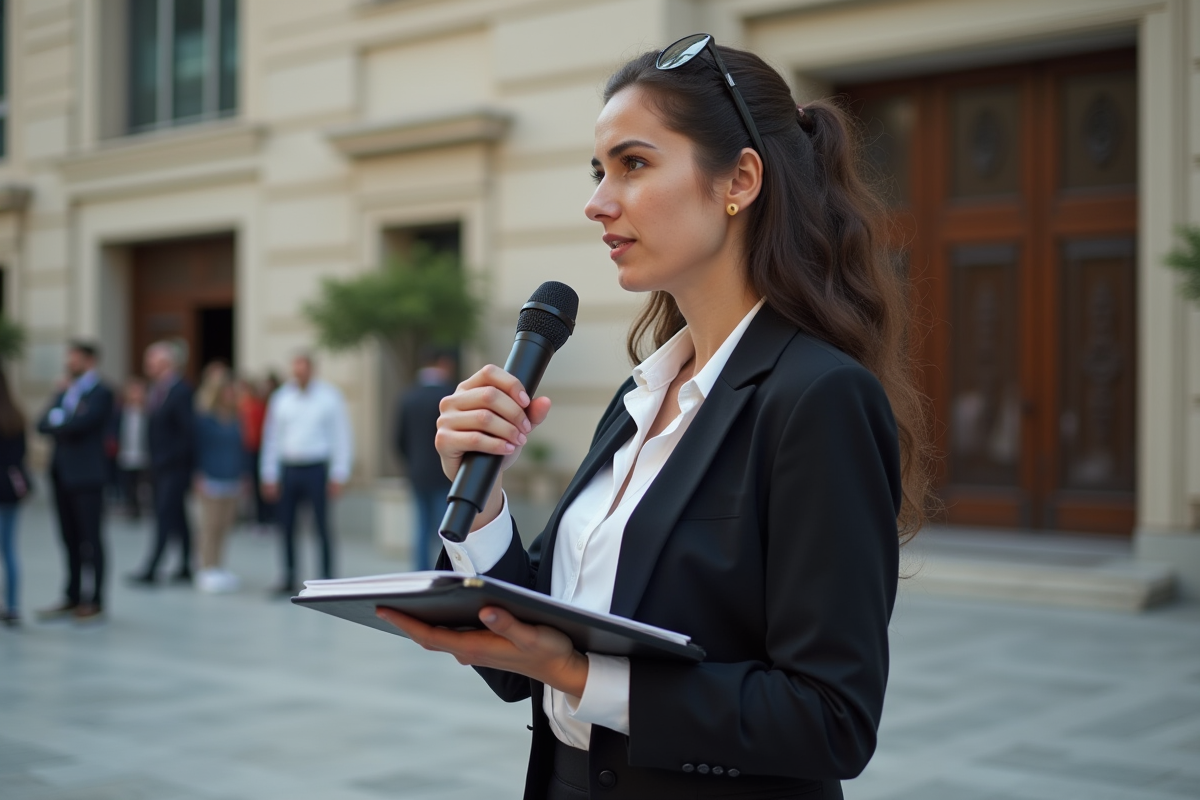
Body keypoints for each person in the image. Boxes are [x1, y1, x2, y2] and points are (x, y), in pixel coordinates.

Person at [376, 35, 932, 800]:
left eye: (633, 165)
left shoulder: (818, 397)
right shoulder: (641, 394)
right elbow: (534, 651)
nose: (598, 200)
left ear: (739, 179)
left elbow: (830, 719)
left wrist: (577, 673)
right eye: (599, 170)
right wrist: (484, 502)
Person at [35, 341, 115, 623]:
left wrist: (62, 424)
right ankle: (72, 595)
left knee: (91, 539)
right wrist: (63, 421)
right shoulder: (66, 391)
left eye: (74, 358)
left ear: (89, 360)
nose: (69, 363)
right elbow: (41, 423)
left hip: (88, 475)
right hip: (61, 474)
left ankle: (95, 599)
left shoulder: (101, 392)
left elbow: (85, 424)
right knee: (69, 538)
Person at [260, 353, 352, 595]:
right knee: (286, 525)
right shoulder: (281, 398)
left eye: (303, 369)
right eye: (296, 369)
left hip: (316, 467)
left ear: (312, 370)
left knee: (322, 524)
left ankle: (327, 577)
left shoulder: (329, 397)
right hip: (289, 468)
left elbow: (341, 436)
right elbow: (272, 438)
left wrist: (339, 473)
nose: (299, 374)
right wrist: (269, 474)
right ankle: (288, 575)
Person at [129, 341, 196, 585]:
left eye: (152, 362)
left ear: (166, 364)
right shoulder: (157, 390)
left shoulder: (181, 390)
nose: (148, 367)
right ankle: (186, 565)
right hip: (158, 466)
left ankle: (152, 567)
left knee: (164, 515)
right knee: (177, 516)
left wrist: (173, 460)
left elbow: (186, 432)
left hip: (174, 467)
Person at [395, 351, 455, 570]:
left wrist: (412, 463)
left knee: (420, 528)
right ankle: (447, 574)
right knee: (446, 529)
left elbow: (398, 440)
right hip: (445, 473)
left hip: (417, 473)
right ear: (444, 363)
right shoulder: (450, 395)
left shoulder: (409, 396)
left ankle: (420, 575)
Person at [194, 373, 244, 593]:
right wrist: (198, 474)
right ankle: (206, 567)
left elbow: (242, 448)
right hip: (211, 478)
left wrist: (244, 474)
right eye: (227, 391)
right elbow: (197, 448)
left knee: (225, 525)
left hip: (231, 477)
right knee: (209, 526)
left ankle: (219, 566)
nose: (230, 395)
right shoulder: (205, 418)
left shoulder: (235, 417)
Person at [0, 366, 30, 626]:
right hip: (10, 490)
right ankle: (13, 606)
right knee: (9, 549)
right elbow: (22, 456)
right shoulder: (16, 416)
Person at [235, 377, 271, 531]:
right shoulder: (238, 407)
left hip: (255, 451)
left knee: (256, 486)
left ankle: (261, 518)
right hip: (243, 451)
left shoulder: (257, 407)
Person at [114, 377, 151, 520]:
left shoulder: (149, 412)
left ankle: (143, 506)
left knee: (142, 483)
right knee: (127, 483)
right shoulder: (121, 411)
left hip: (143, 453)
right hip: (126, 452)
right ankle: (131, 507)